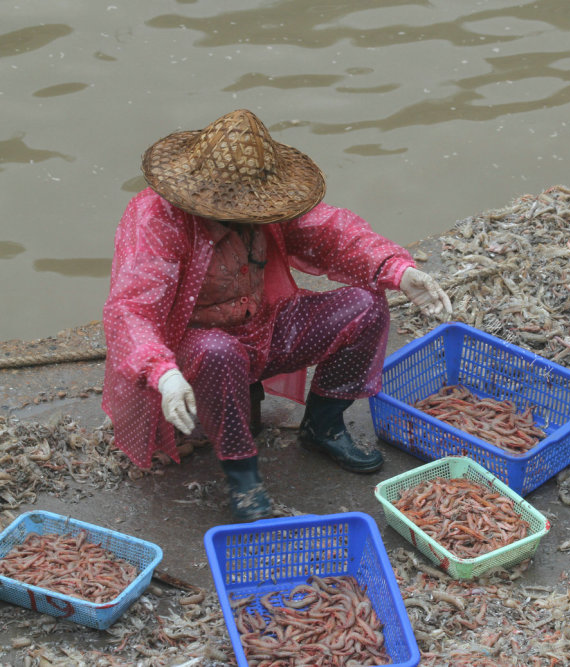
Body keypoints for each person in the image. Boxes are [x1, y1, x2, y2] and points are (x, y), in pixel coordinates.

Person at [102, 109, 452, 522]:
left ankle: (322, 427)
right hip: (195, 346)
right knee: (218, 353)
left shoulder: (268, 205)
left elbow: (332, 232)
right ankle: (243, 478)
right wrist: (162, 372)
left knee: (366, 304)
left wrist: (397, 269)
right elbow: (131, 309)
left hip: (264, 325)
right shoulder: (155, 219)